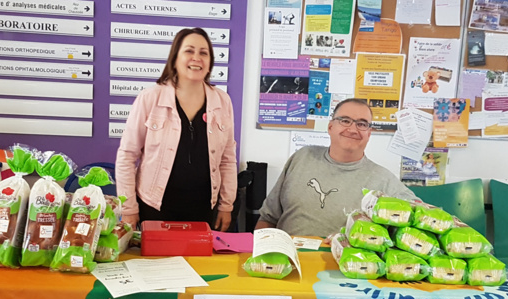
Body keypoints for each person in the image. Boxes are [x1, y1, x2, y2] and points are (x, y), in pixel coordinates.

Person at [115, 28, 237, 231]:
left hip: (204, 210)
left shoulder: (222, 101)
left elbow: (228, 159)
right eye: (189, 51)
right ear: (174, 59)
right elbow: (127, 156)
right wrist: (128, 208)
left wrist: (227, 205)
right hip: (154, 207)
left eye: (204, 53)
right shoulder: (150, 98)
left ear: (210, 62)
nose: (196, 58)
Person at [255, 98, 415, 236]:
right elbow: (268, 218)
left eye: (361, 124)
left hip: (344, 260)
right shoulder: (302, 157)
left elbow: (420, 214)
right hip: (288, 257)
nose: (352, 129)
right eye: (345, 121)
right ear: (330, 127)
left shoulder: (383, 180)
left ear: (369, 133)